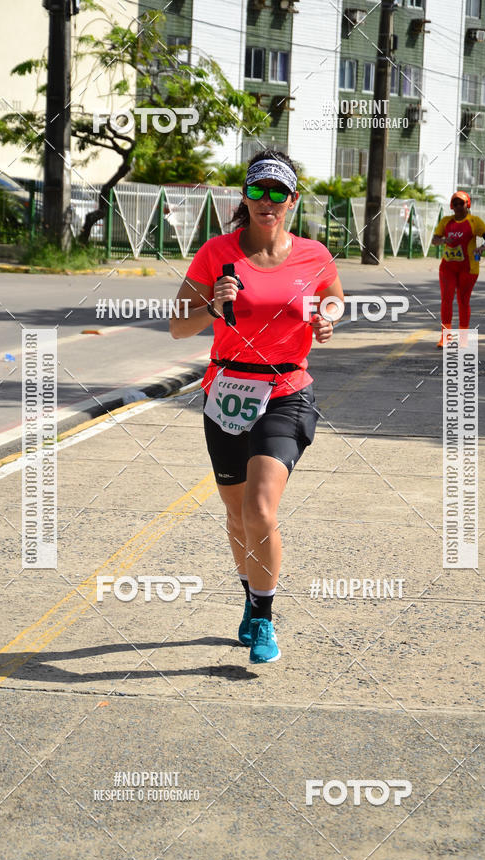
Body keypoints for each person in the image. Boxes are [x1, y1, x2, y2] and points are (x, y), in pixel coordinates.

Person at [170, 149, 344, 663]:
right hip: (226, 394)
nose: (268, 202)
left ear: (292, 201)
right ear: (245, 196)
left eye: (278, 193)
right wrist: (211, 305)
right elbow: (179, 326)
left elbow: (333, 297)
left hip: (286, 393)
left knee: (259, 509)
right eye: (259, 191)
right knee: (236, 514)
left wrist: (326, 319)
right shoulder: (216, 253)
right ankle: (251, 598)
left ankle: (264, 619)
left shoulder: (313, 254)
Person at [431, 191, 485, 346]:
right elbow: (435, 240)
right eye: (456, 203)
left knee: (463, 301)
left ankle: (464, 338)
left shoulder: (474, 221)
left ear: (468, 204)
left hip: (468, 268)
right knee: (446, 300)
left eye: (462, 203)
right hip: (447, 268)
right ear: (452, 206)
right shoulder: (446, 221)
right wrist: (445, 239)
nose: (459, 206)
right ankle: (445, 337)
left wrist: (483, 247)